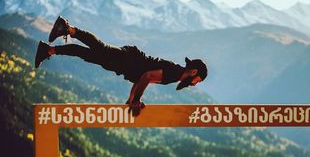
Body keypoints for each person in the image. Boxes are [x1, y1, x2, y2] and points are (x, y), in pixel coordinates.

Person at [35, 16, 208, 115]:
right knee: (99, 48)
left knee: (87, 54)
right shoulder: (174, 74)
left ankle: (49, 50)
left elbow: (142, 78)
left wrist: (132, 99)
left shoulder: (175, 73)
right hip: (127, 60)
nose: (195, 84)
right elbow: (146, 77)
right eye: (198, 80)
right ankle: (68, 28)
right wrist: (137, 100)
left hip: (126, 63)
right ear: (193, 72)